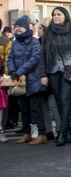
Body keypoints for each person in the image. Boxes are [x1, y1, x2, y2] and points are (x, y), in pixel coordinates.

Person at [39, 6, 71, 146]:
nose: (56, 17)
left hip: (69, 70)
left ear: (65, 16)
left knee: (65, 100)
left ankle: (62, 132)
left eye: (59, 14)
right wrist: (43, 74)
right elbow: (42, 54)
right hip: (53, 70)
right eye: (54, 15)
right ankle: (67, 130)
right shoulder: (49, 33)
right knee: (59, 101)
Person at [8, 16, 46, 145]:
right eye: (16, 27)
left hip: (33, 79)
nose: (18, 29)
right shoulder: (15, 43)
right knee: (23, 108)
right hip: (20, 80)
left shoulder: (34, 42)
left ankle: (42, 134)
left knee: (36, 108)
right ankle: (26, 133)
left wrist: (19, 72)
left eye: (20, 26)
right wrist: (12, 71)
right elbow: (10, 58)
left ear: (26, 28)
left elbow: (35, 59)